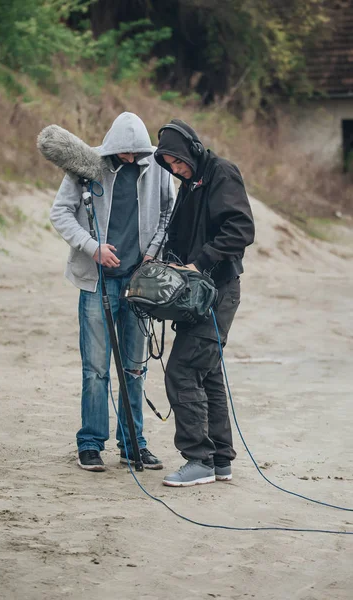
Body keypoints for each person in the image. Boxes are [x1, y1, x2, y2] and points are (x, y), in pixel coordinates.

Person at [50, 112, 175, 472]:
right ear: (112, 148)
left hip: (139, 282)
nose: (131, 160)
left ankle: (133, 444)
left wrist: (151, 254)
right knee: (96, 369)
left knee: (134, 369)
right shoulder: (85, 165)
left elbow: (168, 214)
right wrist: (92, 247)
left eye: (136, 154)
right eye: (125, 154)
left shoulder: (158, 169)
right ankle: (90, 444)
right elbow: (60, 213)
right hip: (97, 281)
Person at [154, 119, 255, 487]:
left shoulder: (222, 173)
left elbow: (241, 229)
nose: (175, 169)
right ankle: (221, 460)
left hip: (218, 291)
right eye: (169, 165)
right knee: (207, 373)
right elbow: (181, 233)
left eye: (178, 162)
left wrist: (201, 261)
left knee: (181, 371)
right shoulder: (191, 182)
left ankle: (199, 459)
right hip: (194, 294)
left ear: (192, 149)